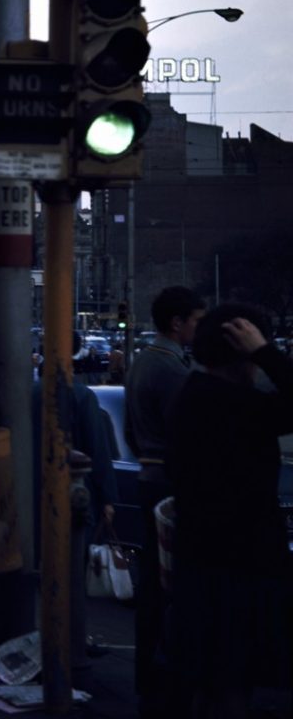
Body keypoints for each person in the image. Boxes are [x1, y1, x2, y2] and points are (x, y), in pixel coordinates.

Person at [166, 305, 293, 719]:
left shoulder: (194, 397)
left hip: (202, 559)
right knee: (233, 682)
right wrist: (266, 353)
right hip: (242, 565)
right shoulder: (236, 406)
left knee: (212, 682)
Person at [123, 285, 205, 717]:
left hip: (148, 474)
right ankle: (165, 681)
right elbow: (192, 434)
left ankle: (148, 677)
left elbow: (133, 433)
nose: (199, 328)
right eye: (196, 320)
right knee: (172, 589)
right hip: (170, 482)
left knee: (153, 587)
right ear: (177, 323)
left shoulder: (142, 362)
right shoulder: (173, 370)